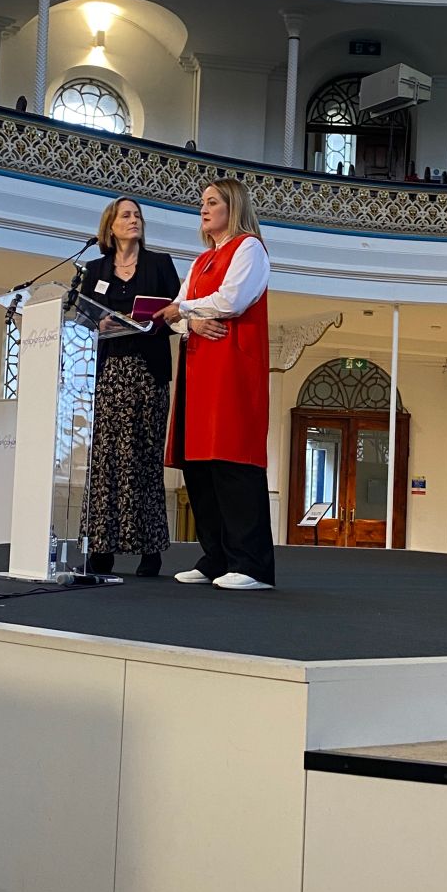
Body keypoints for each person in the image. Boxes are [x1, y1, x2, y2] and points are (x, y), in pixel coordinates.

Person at [156, 179, 275, 590]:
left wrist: (186, 312)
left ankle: (252, 565)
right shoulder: (202, 259)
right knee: (200, 465)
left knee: (232, 461)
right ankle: (216, 557)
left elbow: (232, 300)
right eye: (202, 203)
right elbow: (176, 314)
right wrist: (190, 320)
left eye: (212, 202)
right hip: (198, 366)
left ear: (233, 206)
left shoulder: (249, 248)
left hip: (232, 367)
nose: (203, 209)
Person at [79, 197, 181, 576]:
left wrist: (153, 322)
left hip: (148, 373)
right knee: (106, 459)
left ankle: (149, 550)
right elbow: (83, 316)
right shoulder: (94, 269)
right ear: (111, 226)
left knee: (144, 458)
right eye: (126, 215)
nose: (134, 219)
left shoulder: (160, 264)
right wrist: (98, 323)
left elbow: (178, 315)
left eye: (137, 215)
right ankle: (101, 548)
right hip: (109, 373)